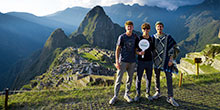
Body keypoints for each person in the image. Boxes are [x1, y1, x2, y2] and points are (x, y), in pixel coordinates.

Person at [109, 20, 138, 105]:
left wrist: (139, 53)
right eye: (128, 26)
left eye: (131, 26)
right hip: (123, 61)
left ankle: (127, 94)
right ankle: (115, 96)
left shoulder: (135, 37)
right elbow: (117, 49)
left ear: (133, 27)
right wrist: (117, 61)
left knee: (130, 79)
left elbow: (136, 49)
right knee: (119, 79)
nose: (129, 28)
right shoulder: (122, 37)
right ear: (125, 27)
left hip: (132, 61)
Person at [152, 21, 180, 107]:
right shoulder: (153, 37)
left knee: (169, 78)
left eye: (160, 26)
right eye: (158, 26)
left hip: (166, 61)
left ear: (162, 27)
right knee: (157, 77)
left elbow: (174, 47)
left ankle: (170, 97)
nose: (159, 28)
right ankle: (158, 92)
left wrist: (171, 59)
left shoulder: (168, 37)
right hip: (156, 61)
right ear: (155, 28)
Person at [134, 23, 154, 101]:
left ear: (149, 30)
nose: (146, 30)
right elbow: (135, 50)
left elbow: (153, 49)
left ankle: (147, 93)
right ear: (142, 30)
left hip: (149, 61)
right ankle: (138, 94)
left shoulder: (152, 39)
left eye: (147, 29)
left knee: (149, 78)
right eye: (144, 29)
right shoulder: (139, 38)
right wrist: (139, 53)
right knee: (139, 78)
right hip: (140, 61)